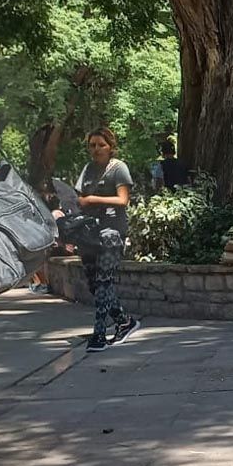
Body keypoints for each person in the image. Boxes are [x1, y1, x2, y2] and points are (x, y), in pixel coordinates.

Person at [76, 128, 141, 352]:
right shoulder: (87, 170)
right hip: (89, 233)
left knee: (104, 282)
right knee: (95, 285)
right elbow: (79, 197)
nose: (96, 149)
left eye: (101, 145)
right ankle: (125, 321)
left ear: (110, 146)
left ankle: (99, 334)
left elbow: (123, 200)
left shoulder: (118, 168)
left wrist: (93, 198)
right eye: (92, 145)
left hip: (112, 233)